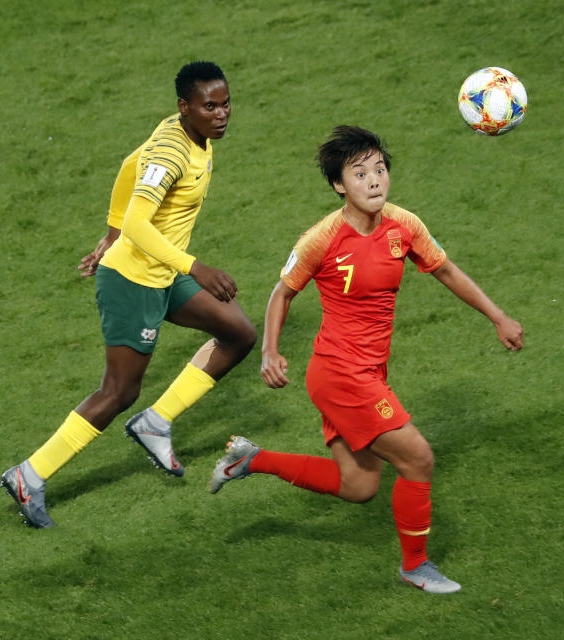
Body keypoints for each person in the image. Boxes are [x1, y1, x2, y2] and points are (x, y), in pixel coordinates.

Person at [208, 126, 523, 593]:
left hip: (369, 371)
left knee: (359, 486)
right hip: (339, 373)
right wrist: (270, 352)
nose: (374, 181)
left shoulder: (404, 225)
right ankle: (415, 566)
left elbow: (447, 271)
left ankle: (250, 459)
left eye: (380, 169)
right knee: (418, 459)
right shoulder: (322, 239)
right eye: (360, 173)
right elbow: (281, 293)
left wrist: (497, 316)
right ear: (339, 185)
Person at [1, 61, 256, 528]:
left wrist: (113, 229)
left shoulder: (185, 134)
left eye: (225, 104)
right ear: (186, 107)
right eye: (210, 106)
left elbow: (127, 166)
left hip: (162, 269)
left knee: (237, 332)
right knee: (119, 391)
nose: (222, 114)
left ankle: (155, 422)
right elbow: (141, 220)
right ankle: (29, 475)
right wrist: (190, 264)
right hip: (134, 279)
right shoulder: (171, 153)